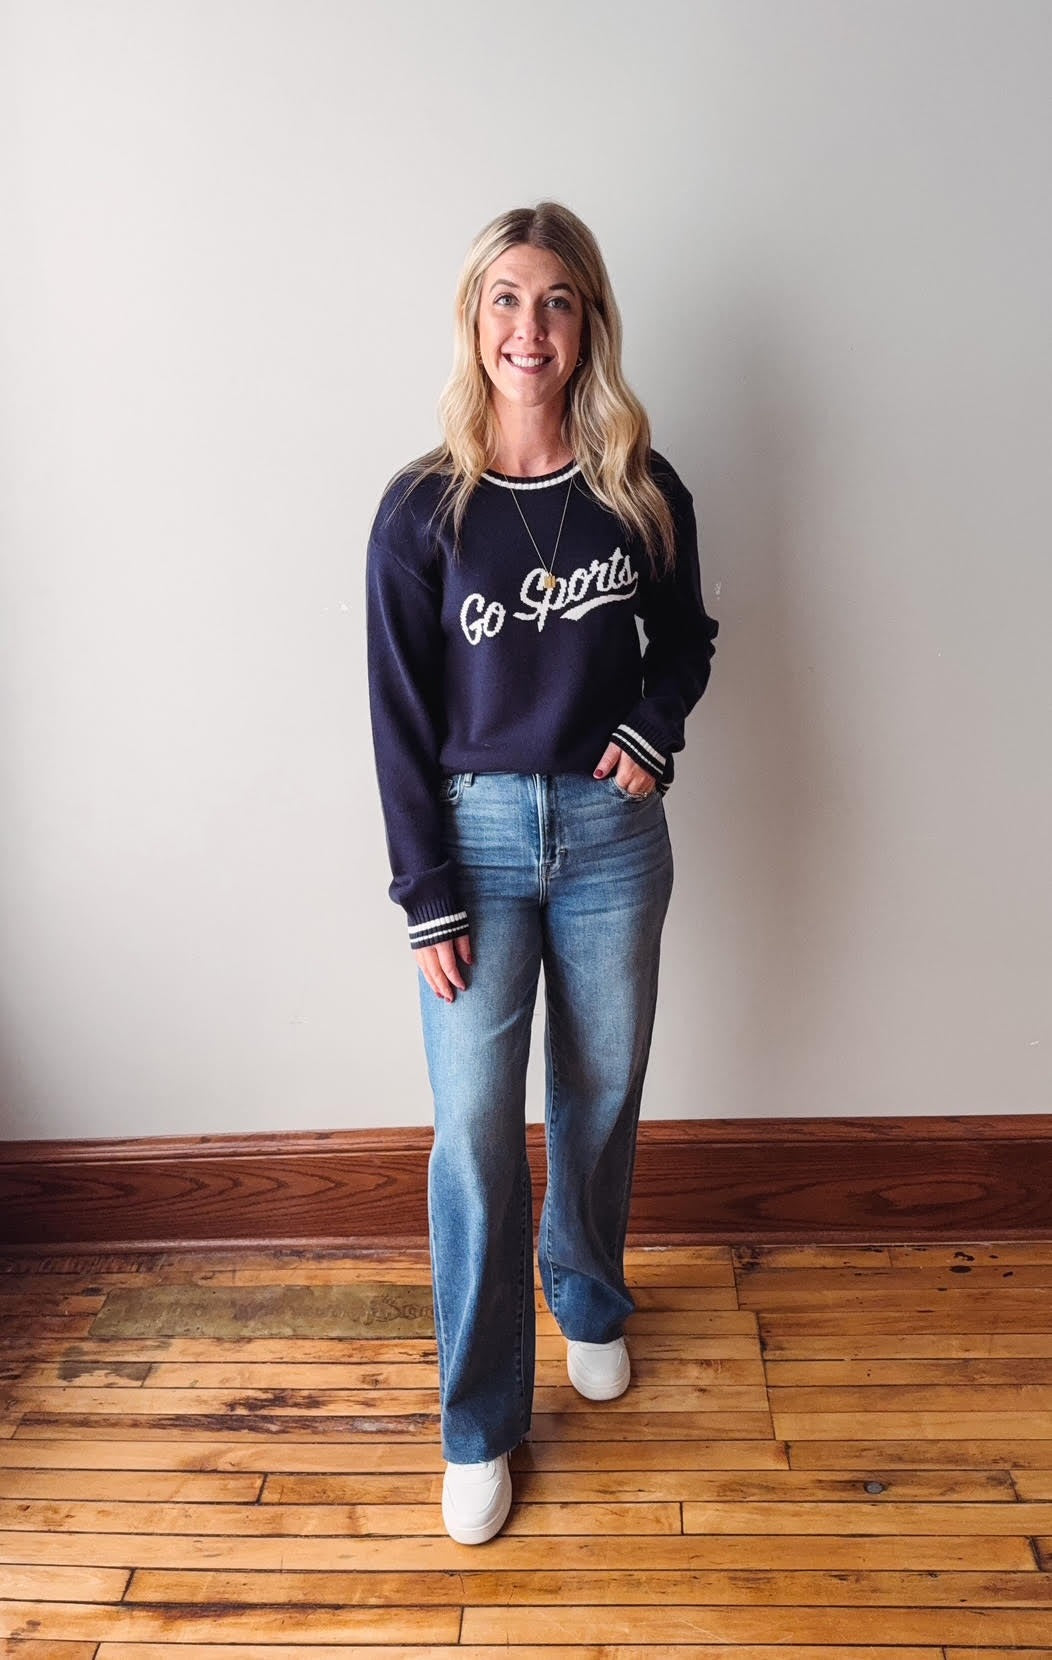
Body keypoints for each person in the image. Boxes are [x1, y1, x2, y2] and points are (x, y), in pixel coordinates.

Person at [366, 200, 718, 1545]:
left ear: (589, 324)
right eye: (506, 299)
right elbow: (397, 715)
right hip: (475, 844)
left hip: (613, 840)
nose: (531, 326)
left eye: (557, 301)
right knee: (471, 1136)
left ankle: (588, 1297)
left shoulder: (640, 485)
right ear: (476, 320)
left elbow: (686, 643)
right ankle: (479, 1422)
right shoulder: (421, 510)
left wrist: (650, 728)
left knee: (601, 1087)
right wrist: (426, 894)